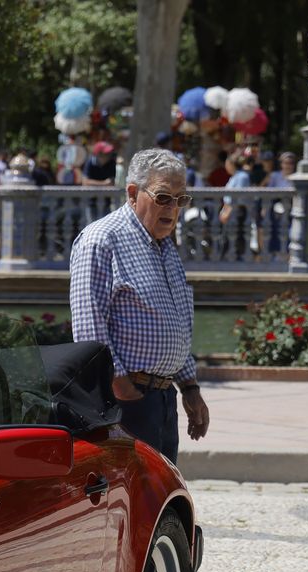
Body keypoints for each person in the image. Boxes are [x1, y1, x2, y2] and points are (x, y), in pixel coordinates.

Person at [68, 148, 209, 463]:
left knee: (161, 499)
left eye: (180, 199)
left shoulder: (165, 247)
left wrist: (189, 386)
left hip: (161, 398)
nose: (172, 209)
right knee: (129, 500)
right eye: (163, 198)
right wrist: (121, 386)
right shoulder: (101, 241)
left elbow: (180, 322)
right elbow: (89, 326)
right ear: (133, 193)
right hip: (126, 400)